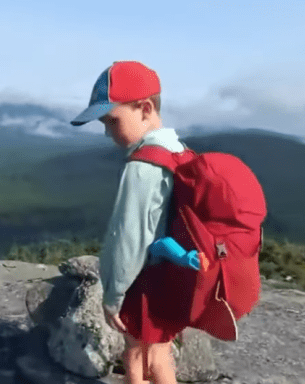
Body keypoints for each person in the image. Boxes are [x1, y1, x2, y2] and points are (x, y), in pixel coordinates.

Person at [71, 61, 185, 384]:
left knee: (136, 355)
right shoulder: (178, 150)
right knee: (159, 354)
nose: (108, 132)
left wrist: (113, 297)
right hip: (174, 277)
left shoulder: (142, 166)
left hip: (143, 283)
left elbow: (129, 238)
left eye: (112, 120)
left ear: (144, 109)